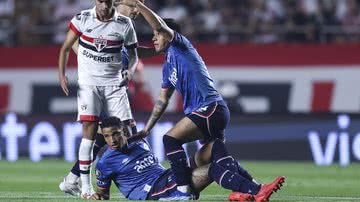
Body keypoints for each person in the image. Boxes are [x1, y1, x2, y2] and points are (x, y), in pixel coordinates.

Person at [117, 0, 285, 201]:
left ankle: (183, 190)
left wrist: (137, 4)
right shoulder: (167, 66)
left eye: (156, 35)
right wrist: (147, 129)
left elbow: (159, 26)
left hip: (208, 107)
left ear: (168, 33)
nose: (153, 39)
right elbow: (162, 101)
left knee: (170, 139)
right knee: (213, 155)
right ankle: (255, 189)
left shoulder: (180, 45)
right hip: (213, 111)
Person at [59, 0, 157, 197]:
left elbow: (135, 53)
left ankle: (73, 178)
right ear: (119, 3)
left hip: (114, 85)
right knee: (111, 133)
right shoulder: (89, 21)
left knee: (112, 135)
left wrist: (162, 45)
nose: (137, 10)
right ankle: (87, 181)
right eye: (134, 5)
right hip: (94, 84)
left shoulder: (124, 27)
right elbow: (75, 44)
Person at [89, 117, 285, 201]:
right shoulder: (105, 161)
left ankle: (245, 190)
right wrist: (97, 194)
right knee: (212, 169)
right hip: (158, 191)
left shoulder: (139, 142)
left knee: (214, 146)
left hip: (169, 176)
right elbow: (104, 193)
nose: (111, 140)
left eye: (115, 134)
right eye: (106, 136)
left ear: (123, 131)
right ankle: (257, 191)